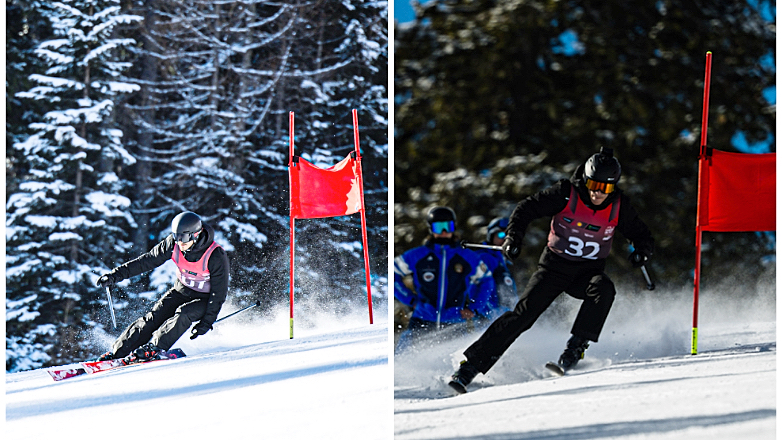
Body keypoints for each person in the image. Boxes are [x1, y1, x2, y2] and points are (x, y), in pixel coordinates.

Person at [449, 147, 654, 393]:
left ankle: (574, 349)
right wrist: (514, 238)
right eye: (594, 184)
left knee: (604, 289)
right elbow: (526, 209)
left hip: (587, 272)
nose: (598, 192)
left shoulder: (620, 206)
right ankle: (468, 368)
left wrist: (642, 250)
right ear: (586, 179)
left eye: (606, 188)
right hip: (554, 268)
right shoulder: (566, 193)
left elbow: (640, 233)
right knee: (523, 316)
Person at [96, 211, 230, 361]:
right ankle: (117, 353)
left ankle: (155, 348)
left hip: (204, 300)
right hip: (181, 291)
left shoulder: (215, 255)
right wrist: (115, 275)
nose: (180, 242)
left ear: (196, 235)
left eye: (184, 238)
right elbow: (147, 261)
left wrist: (207, 322)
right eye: (176, 237)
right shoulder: (173, 245)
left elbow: (219, 293)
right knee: (154, 317)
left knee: (183, 313)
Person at [394, 206, 495, 352]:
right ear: (431, 229)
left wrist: (474, 308)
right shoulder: (417, 255)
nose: (444, 232)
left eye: (448, 227)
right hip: (423, 320)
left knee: (455, 364)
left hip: (454, 322)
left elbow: (486, 280)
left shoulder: (467, 257)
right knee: (406, 358)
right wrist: (410, 300)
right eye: (439, 227)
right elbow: (393, 273)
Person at [474, 217, 519, 316]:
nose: (505, 239)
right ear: (491, 236)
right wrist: (486, 314)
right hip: (488, 317)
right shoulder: (485, 258)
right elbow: (478, 288)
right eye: (501, 234)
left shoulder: (506, 263)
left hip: (505, 317)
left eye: (509, 236)